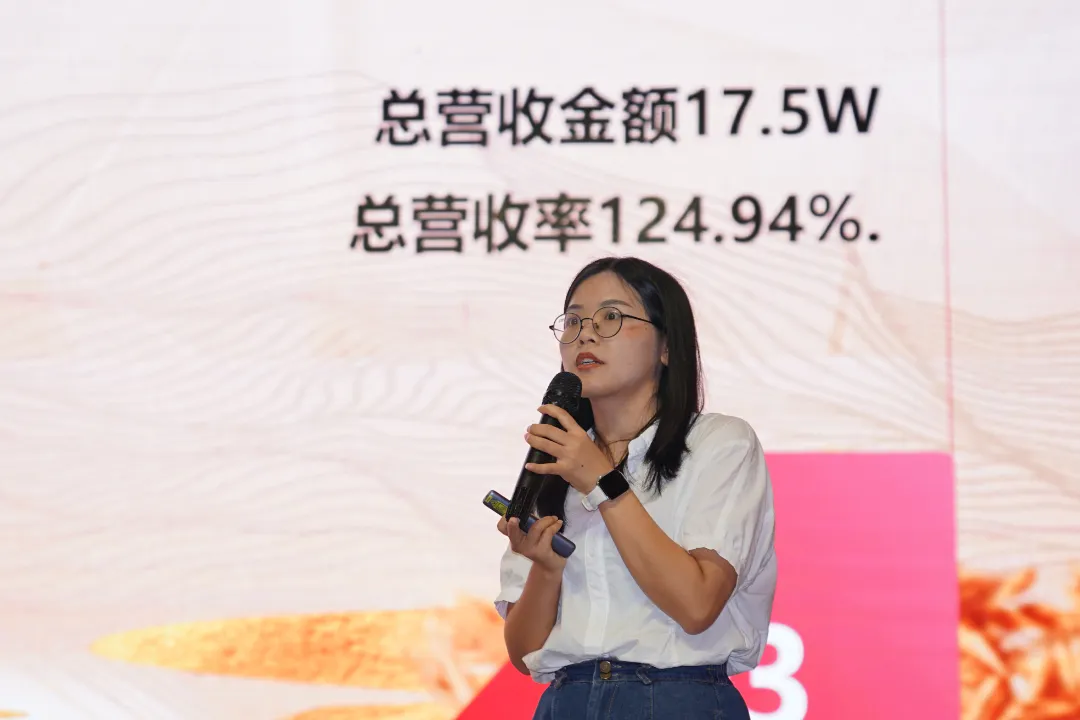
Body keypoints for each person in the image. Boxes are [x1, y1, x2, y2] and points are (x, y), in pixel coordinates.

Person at [494, 256, 776, 719]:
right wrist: (546, 568)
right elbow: (524, 654)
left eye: (611, 317)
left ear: (666, 346)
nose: (585, 335)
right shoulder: (557, 464)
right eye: (574, 321)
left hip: (677, 699)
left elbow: (697, 604)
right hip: (567, 701)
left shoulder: (719, 443)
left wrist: (603, 483)